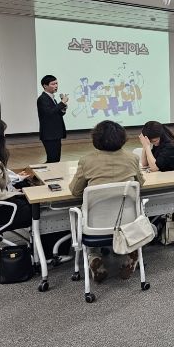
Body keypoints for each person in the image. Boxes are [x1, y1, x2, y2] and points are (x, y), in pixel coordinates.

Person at [69, 120, 145, 282]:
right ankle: (130, 253)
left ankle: (93, 256)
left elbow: (75, 191)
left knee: (83, 214)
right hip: (128, 222)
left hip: (94, 224)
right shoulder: (132, 158)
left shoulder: (86, 161)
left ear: (96, 139)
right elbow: (140, 184)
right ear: (122, 138)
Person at [37, 74, 68, 163]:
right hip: (49, 134)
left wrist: (63, 109)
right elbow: (49, 113)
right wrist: (62, 103)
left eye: (56, 83)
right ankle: (39, 172)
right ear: (45, 86)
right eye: (53, 84)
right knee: (52, 159)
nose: (56, 86)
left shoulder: (52, 98)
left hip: (55, 133)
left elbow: (56, 114)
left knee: (56, 159)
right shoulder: (42, 98)